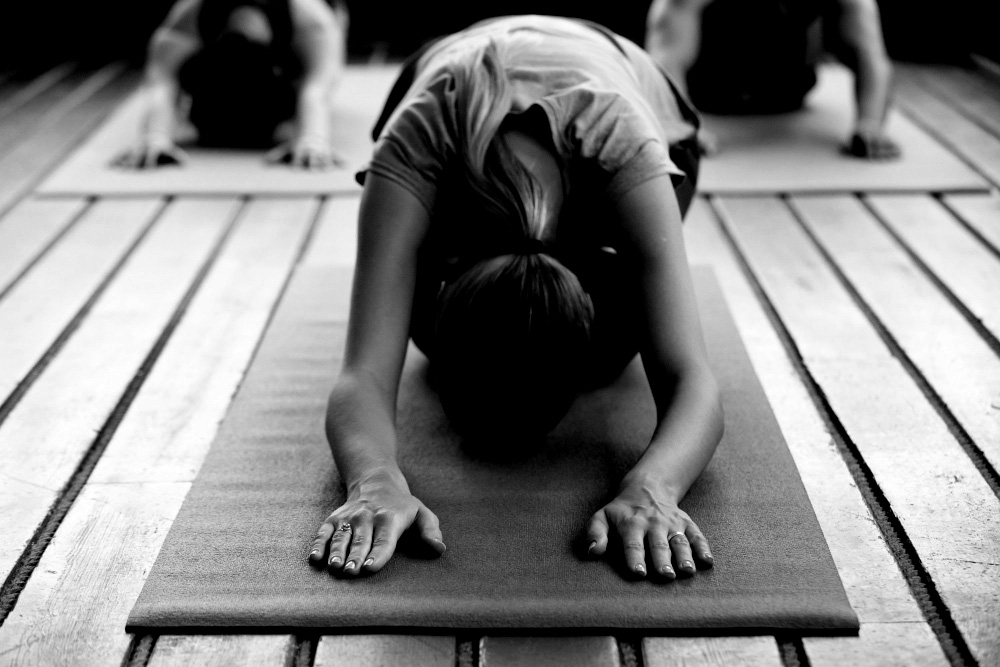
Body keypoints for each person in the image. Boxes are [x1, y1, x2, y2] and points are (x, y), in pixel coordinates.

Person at [307, 15, 724, 582]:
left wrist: (655, 487)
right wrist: (372, 480)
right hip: (451, 62)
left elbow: (691, 379)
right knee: (479, 336)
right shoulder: (417, 140)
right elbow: (364, 374)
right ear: (450, 273)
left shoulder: (622, 142)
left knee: (606, 349)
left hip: (632, 89)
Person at [645, 0, 901, 159]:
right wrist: (677, 123)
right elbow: (667, 53)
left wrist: (870, 124)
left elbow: (871, 53)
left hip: (785, 93)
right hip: (710, 95)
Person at [113, 0, 348, 170]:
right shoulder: (189, 17)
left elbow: (318, 88)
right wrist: (155, 136)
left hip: (320, 26)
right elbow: (161, 81)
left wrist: (312, 138)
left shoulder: (313, 20)